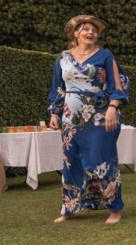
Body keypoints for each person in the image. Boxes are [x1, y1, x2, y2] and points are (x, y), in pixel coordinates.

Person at [48, 15, 129, 225]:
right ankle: (70, 207)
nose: (91, 32)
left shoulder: (105, 55)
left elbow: (118, 84)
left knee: (101, 161)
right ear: (75, 34)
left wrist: (113, 107)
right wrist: (54, 113)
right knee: (71, 162)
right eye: (85, 29)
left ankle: (114, 209)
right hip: (70, 120)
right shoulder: (63, 58)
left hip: (101, 116)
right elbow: (58, 89)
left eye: (94, 30)